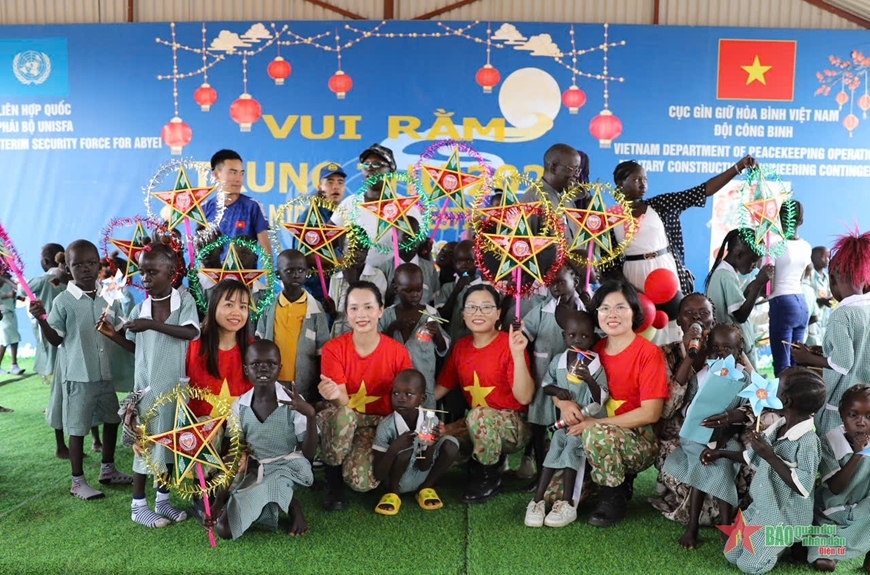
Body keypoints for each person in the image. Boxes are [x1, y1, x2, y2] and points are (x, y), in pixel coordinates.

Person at [97, 244, 200, 528]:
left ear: (171, 271)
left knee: (168, 448)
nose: (145, 278)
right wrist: (113, 335)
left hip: (174, 390)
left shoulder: (184, 301)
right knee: (146, 448)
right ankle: (138, 505)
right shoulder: (140, 308)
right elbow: (139, 349)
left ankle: (162, 501)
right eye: (142, 272)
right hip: (147, 391)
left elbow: (191, 332)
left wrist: (151, 325)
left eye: (152, 272)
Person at [29, 240, 132, 500]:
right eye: (77, 265)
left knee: (112, 420)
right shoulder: (64, 301)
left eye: (90, 263)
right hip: (78, 375)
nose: (85, 269)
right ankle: (77, 482)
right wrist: (42, 320)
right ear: (67, 268)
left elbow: (121, 328)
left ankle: (107, 469)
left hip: (104, 373)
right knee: (76, 428)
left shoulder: (109, 295)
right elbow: (56, 339)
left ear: (99, 265)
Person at [704, 367, 825, 575]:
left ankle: (782, 545)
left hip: (784, 517)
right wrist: (720, 453)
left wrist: (770, 456)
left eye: (777, 386)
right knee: (730, 554)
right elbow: (749, 457)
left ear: (786, 401)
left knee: (749, 565)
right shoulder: (778, 425)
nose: (771, 388)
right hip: (762, 508)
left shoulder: (808, 442)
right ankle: (770, 545)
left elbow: (803, 487)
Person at [568, 280, 668, 527]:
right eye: (604, 308)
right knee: (555, 496)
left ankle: (614, 494)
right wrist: (563, 405)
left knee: (597, 434)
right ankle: (598, 478)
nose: (612, 314)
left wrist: (596, 423)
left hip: (638, 440)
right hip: (593, 431)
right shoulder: (594, 351)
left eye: (620, 307)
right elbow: (567, 386)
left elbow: (651, 413)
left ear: (634, 312)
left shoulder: (648, 353)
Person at [607, 155, 757, 307]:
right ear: (620, 183)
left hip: (665, 269)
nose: (643, 184)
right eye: (637, 180)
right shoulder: (610, 218)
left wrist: (738, 167)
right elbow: (608, 262)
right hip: (632, 275)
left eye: (645, 179)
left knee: (672, 322)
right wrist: (626, 287)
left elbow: (703, 190)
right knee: (641, 320)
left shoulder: (659, 205)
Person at [317, 281, 414, 510]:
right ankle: (332, 479)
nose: (361, 314)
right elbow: (341, 401)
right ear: (346, 313)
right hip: (345, 416)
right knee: (344, 416)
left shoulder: (398, 353)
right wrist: (332, 395)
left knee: (362, 482)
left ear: (381, 311)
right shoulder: (334, 349)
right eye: (354, 308)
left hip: (377, 424)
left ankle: (351, 456)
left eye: (368, 307)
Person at [207, 340, 317, 539]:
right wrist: (217, 503)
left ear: (279, 368)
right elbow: (234, 457)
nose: (263, 368)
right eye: (256, 364)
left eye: (271, 364)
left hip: (288, 468)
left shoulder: (293, 402)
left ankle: (293, 506)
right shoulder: (240, 407)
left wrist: (310, 415)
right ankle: (277, 500)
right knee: (224, 530)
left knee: (273, 484)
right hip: (259, 469)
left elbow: (308, 454)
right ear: (246, 369)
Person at [434, 284, 534, 504]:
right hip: (476, 422)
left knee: (479, 416)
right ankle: (474, 460)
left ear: (498, 313)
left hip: (513, 424)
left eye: (486, 307)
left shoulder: (509, 345)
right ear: (463, 314)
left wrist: (518, 355)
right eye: (471, 307)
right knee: (436, 438)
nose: (478, 313)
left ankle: (488, 476)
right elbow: (440, 389)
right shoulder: (461, 348)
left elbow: (525, 398)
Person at [661, 323, 749, 549]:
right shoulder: (701, 376)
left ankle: (723, 523)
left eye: (728, 348)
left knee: (723, 463)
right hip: (695, 438)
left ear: (739, 351)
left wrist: (725, 427)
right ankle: (694, 526)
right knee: (705, 462)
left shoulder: (744, 379)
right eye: (716, 347)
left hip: (725, 438)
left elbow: (747, 412)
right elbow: (687, 409)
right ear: (707, 349)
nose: (721, 352)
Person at [524, 311, 608, 528]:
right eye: (572, 336)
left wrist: (589, 379)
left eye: (584, 337)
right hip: (564, 423)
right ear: (564, 336)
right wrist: (558, 391)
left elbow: (601, 397)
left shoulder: (595, 365)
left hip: (584, 424)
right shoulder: (559, 361)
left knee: (572, 449)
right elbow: (546, 385)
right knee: (554, 449)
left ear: (593, 336)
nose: (578, 341)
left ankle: (568, 502)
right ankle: (537, 501)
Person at [792, 228, 870, 445]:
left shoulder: (842, 315)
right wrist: (824, 352)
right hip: (866, 404)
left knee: (836, 461)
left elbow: (843, 363)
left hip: (842, 406)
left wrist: (808, 359)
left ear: (833, 280)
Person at [517, 264, 585, 483]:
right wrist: (518, 332)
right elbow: (526, 333)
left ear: (574, 280)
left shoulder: (585, 312)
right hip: (542, 379)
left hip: (571, 384)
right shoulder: (543, 310)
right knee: (539, 429)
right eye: (550, 283)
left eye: (560, 282)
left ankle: (567, 473)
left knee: (566, 428)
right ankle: (540, 472)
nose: (555, 288)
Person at [371, 369, 459, 515]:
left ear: (422, 399)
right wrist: (393, 449)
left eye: (409, 394)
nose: (401, 398)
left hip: (421, 474)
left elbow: (424, 466)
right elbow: (378, 474)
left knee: (451, 444)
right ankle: (393, 493)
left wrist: (430, 446)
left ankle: (426, 488)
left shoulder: (430, 421)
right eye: (396, 393)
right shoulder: (386, 426)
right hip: (398, 480)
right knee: (405, 450)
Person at [806, 385, 870, 572]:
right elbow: (835, 488)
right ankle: (830, 548)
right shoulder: (829, 442)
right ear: (841, 415)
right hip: (831, 515)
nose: (861, 422)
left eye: (869, 417)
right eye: (853, 415)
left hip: (863, 512)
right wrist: (857, 455)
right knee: (824, 564)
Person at [330, 144, 421, 268]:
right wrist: (347, 264)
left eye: (377, 164)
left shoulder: (407, 207)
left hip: (396, 280)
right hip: (359, 280)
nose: (370, 168)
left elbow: (418, 250)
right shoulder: (350, 203)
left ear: (391, 170)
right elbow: (326, 241)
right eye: (366, 165)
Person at [256, 249, 330, 399]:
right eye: (289, 270)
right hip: (273, 381)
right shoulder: (269, 307)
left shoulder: (315, 309)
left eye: (301, 270)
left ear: (307, 272)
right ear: (278, 274)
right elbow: (260, 340)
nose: (296, 275)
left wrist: (317, 385)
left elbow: (322, 351)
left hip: (304, 384)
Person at [379, 264, 449, 409]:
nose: (415, 295)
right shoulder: (387, 314)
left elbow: (443, 348)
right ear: (396, 289)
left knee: (424, 421)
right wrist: (393, 328)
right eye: (408, 291)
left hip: (424, 385)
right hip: (394, 385)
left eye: (418, 290)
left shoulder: (431, 313)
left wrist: (437, 334)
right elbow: (378, 346)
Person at [705, 228, 774, 369]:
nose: (754, 267)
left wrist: (754, 288)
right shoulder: (726, 275)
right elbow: (740, 315)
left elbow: (737, 304)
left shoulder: (725, 272)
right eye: (753, 261)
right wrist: (758, 285)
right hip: (734, 350)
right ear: (738, 255)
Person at [186, 280, 254, 419]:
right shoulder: (193, 344)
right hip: (196, 432)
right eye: (229, 305)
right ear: (214, 306)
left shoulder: (254, 350)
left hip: (241, 432)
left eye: (243, 307)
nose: (237, 312)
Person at [768, 201, 812, 375]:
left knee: (782, 365)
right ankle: (800, 401)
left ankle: (785, 402)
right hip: (801, 304)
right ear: (801, 220)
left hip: (782, 302)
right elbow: (802, 278)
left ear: (780, 219)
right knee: (797, 363)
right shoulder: (806, 246)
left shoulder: (775, 245)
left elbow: (768, 285)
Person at [203, 149, 271, 256]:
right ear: (216, 175)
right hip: (212, 273)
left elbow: (267, 251)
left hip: (244, 272)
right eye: (233, 172)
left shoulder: (253, 207)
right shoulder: (205, 208)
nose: (238, 179)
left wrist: (269, 273)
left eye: (241, 174)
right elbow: (202, 253)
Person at [327, 233, 388, 337]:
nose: (357, 253)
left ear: (367, 250)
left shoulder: (377, 275)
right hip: (339, 334)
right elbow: (336, 315)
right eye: (351, 248)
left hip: (367, 334)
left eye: (361, 249)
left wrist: (353, 283)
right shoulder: (336, 278)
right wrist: (331, 311)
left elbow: (377, 311)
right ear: (341, 250)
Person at [521, 144, 585, 241]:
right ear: (553, 168)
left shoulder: (567, 198)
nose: (576, 175)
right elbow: (523, 248)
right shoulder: (532, 201)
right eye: (572, 169)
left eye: (578, 170)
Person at [24, 243, 66, 384]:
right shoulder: (69, 278)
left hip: (48, 322)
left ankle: (54, 375)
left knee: (51, 349)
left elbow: (24, 290)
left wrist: (9, 281)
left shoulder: (43, 280)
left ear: (45, 261)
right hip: (66, 321)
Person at [378, 217, 440, 306]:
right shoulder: (384, 269)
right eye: (406, 236)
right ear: (394, 238)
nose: (412, 242)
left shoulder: (429, 268)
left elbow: (433, 302)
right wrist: (390, 294)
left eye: (416, 236)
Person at [434, 239, 485, 346]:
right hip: (452, 345)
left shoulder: (486, 289)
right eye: (459, 262)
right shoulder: (448, 288)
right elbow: (441, 319)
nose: (464, 265)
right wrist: (457, 290)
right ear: (454, 263)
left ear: (478, 261)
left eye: (469, 261)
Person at [805, 246, 832, 347]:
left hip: (824, 319)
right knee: (811, 345)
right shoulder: (809, 274)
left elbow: (829, 294)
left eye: (829, 257)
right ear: (815, 257)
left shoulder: (827, 278)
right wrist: (819, 301)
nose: (828, 260)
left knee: (821, 346)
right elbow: (806, 295)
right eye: (825, 257)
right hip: (812, 319)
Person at [0, 271, 23, 375]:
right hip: (3, 313)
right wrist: (6, 295)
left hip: (10, 312)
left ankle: (14, 364)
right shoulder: (4, 279)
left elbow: (16, 288)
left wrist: (18, 296)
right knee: (7, 340)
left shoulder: (6, 278)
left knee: (10, 339)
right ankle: (14, 365)